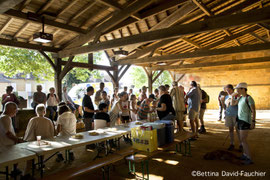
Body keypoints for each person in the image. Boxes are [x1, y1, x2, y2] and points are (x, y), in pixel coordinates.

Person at [235, 82, 256, 165]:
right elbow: (233, 104)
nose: (237, 90)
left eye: (238, 89)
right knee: (242, 139)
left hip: (245, 121)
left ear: (243, 89)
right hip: (240, 120)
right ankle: (245, 154)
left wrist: (253, 121)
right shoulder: (240, 98)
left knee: (243, 140)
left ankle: (249, 158)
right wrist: (233, 96)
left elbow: (253, 110)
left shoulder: (249, 98)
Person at [224, 84, 241, 151]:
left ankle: (241, 144)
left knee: (238, 130)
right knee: (230, 129)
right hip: (228, 114)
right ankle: (232, 143)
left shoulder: (236, 95)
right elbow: (226, 106)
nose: (228, 91)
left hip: (235, 114)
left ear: (232, 89)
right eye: (227, 90)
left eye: (229, 90)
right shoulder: (226, 97)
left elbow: (235, 104)